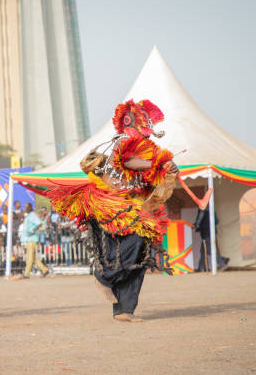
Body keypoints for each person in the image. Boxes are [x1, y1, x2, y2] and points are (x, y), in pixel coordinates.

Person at [47, 99, 177, 322]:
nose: (149, 124)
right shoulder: (124, 140)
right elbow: (127, 161)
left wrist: (169, 168)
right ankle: (104, 276)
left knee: (139, 256)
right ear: (132, 120)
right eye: (145, 119)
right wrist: (156, 162)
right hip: (110, 204)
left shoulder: (149, 148)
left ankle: (124, 310)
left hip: (132, 204)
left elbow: (150, 177)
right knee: (134, 241)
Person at [193, 207, 229, 272]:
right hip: (211, 232)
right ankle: (200, 268)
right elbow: (217, 221)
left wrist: (196, 225)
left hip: (207, 233)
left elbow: (199, 220)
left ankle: (222, 262)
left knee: (209, 250)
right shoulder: (211, 209)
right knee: (203, 251)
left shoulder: (202, 209)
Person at [21, 203, 50, 278]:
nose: (24, 208)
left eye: (25, 207)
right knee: (33, 258)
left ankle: (26, 274)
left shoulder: (33, 215)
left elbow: (39, 224)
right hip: (28, 239)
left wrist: (33, 231)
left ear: (30, 207)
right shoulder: (28, 215)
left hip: (32, 239)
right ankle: (45, 270)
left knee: (29, 257)